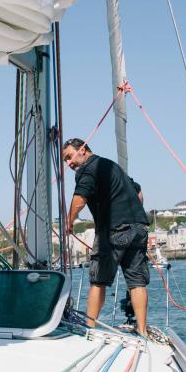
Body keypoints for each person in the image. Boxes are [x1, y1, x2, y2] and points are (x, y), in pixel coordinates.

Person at [62, 138, 150, 335]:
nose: (69, 164)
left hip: (114, 230)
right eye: (65, 161)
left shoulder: (88, 169)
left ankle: (88, 329)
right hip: (139, 228)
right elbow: (139, 192)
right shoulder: (111, 165)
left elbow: (80, 199)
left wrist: (68, 222)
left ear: (82, 150)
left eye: (69, 157)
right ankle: (142, 331)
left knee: (98, 281)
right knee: (137, 282)